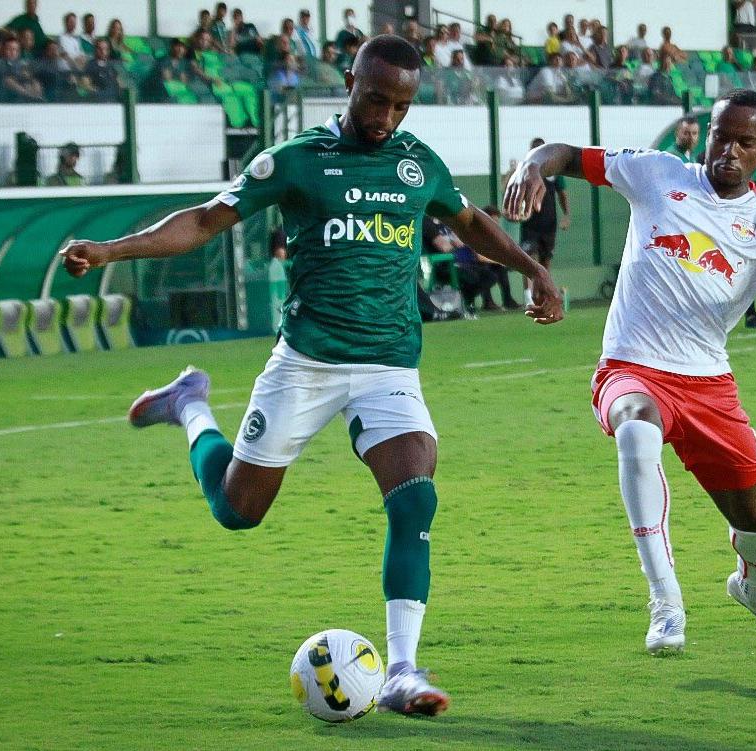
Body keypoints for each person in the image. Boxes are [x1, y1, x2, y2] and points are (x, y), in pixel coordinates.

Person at [59, 35, 563, 717]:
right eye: (376, 97)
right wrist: (111, 249)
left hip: (389, 363)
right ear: (349, 80)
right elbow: (207, 220)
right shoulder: (296, 161)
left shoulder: (419, 166)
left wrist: (533, 270)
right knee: (238, 511)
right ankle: (189, 405)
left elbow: (471, 223)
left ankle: (403, 670)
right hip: (307, 361)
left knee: (416, 496)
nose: (386, 115)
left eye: (402, 104)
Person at [503, 88, 756, 655]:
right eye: (721, 136)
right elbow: (569, 155)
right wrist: (533, 163)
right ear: (707, 133)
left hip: (708, 383)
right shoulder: (657, 174)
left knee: (754, 514)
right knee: (635, 431)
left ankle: (754, 589)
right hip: (630, 367)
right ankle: (666, 602)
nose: (729, 150)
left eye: (744, 142)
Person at [518, 137, 570, 306]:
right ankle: (528, 298)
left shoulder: (554, 175)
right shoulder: (524, 171)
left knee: (545, 260)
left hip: (549, 224)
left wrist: (566, 215)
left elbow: (562, 194)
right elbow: (512, 191)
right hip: (530, 224)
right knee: (528, 259)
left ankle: (544, 294)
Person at [0, 35, 44, 102]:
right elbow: (6, 79)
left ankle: (38, 97)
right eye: (9, 49)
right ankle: (30, 96)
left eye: (15, 49)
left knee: (35, 81)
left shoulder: (23, 64)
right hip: (6, 98)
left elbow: (29, 77)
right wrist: (27, 92)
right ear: (3, 50)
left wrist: (31, 80)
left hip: (24, 98)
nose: (12, 52)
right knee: (8, 80)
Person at [81, 37, 121, 102]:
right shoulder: (90, 65)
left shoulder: (112, 65)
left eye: (105, 49)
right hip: (100, 100)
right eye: (100, 49)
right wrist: (97, 93)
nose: (103, 51)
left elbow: (119, 82)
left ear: (108, 50)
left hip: (115, 100)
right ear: (95, 50)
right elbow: (85, 83)